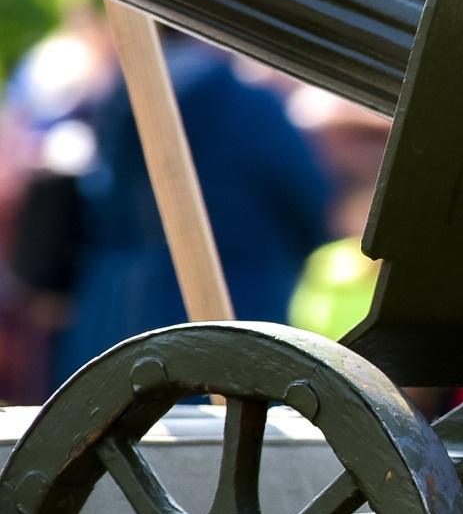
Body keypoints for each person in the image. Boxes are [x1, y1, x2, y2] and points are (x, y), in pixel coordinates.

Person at [55, 34, 332, 378]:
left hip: (113, 315)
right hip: (232, 310)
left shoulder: (117, 99)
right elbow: (311, 205)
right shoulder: (250, 106)